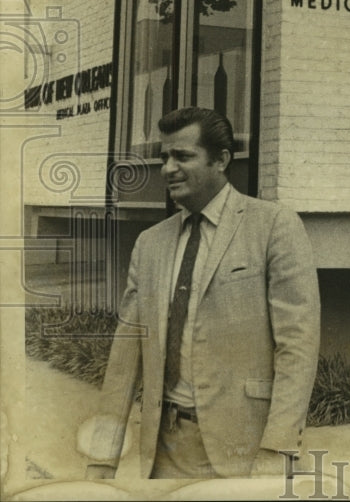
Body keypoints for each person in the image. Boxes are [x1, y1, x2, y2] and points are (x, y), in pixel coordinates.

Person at [85, 107, 320, 479]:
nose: (168, 168)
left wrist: (278, 448)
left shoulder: (274, 226)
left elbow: (298, 346)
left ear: (221, 160)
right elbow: (124, 358)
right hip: (164, 453)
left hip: (246, 450)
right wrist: (101, 460)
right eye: (164, 157)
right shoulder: (150, 245)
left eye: (183, 156)